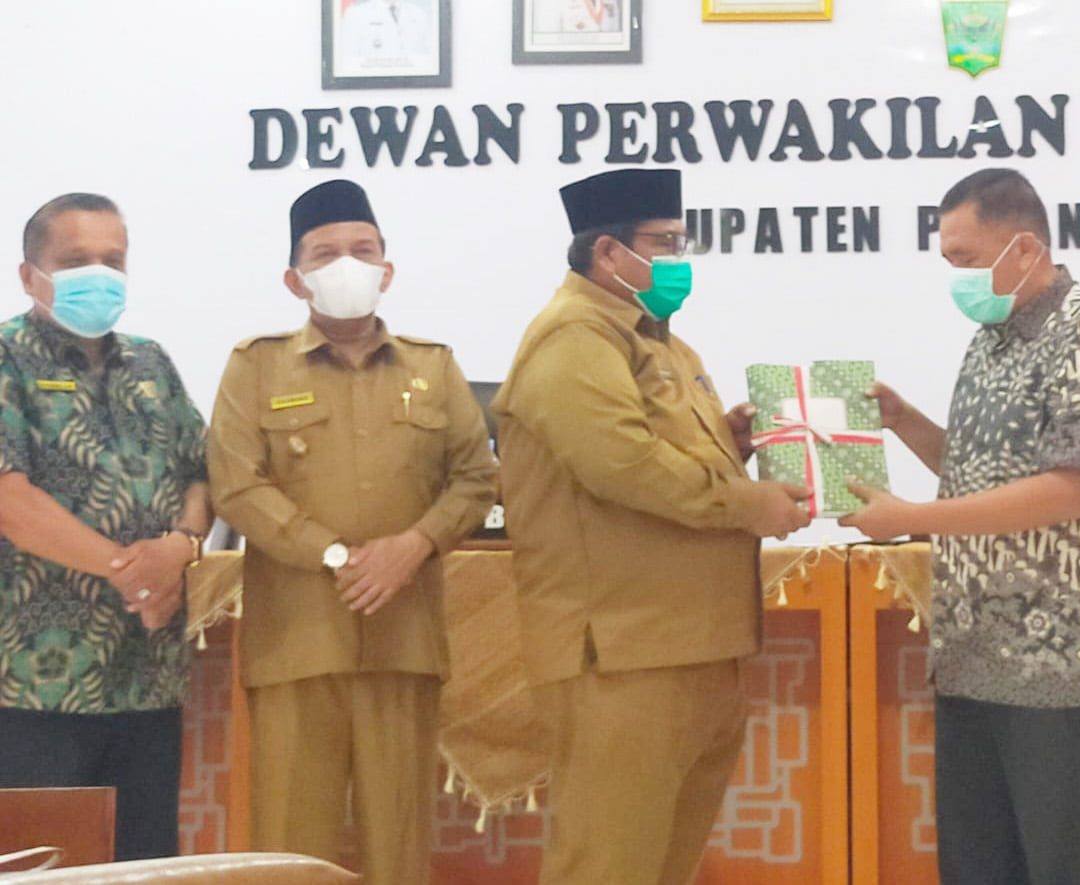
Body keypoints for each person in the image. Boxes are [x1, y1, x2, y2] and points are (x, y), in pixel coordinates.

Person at [492, 167, 811, 885]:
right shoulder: (573, 338)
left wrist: (730, 445)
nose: (678, 260)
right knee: (606, 866)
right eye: (665, 243)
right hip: (622, 654)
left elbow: (662, 457)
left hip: (694, 646)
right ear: (608, 251)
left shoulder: (663, 342)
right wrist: (748, 503)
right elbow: (624, 464)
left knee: (665, 865)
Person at [842, 168, 1080, 884]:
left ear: (1025, 248)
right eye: (948, 260)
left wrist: (912, 519)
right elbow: (982, 473)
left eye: (967, 259)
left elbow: (1069, 490)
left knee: (1068, 866)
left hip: (1057, 660)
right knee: (978, 866)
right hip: (970, 651)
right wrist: (905, 421)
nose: (957, 278)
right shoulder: (990, 339)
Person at [207, 179, 497, 885]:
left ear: (387, 269)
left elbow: (476, 478)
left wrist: (414, 546)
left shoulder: (434, 366)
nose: (348, 265)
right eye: (326, 253)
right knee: (288, 852)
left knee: (400, 847)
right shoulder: (255, 365)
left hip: (403, 639)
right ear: (294, 278)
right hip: (298, 643)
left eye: (363, 251)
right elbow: (237, 486)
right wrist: (335, 555)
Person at [0, 193, 211, 860]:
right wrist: (135, 574)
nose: (98, 274)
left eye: (112, 261)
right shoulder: (7, 359)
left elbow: (202, 473)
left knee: (145, 862)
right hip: (37, 685)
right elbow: (11, 502)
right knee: (43, 863)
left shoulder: (152, 364)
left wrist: (180, 547)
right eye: (75, 260)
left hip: (147, 677)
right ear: (29, 274)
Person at [340, 0, 435, 70]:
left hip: (414, 85)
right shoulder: (355, 15)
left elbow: (430, 60)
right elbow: (349, 62)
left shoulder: (419, 14)